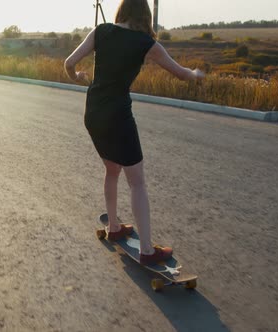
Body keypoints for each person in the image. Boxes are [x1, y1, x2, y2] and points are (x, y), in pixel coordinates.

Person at [64, 0, 204, 265]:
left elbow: (69, 63)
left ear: (121, 10)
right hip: (119, 116)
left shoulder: (101, 31)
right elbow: (181, 74)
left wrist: (79, 77)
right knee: (137, 181)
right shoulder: (146, 43)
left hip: (93, 113)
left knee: (112, 170)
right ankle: (147, 251)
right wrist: (196, 73)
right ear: (145, 14)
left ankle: (114, 227)